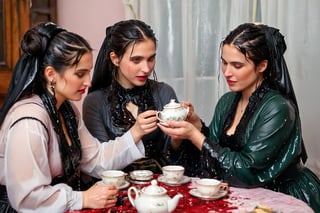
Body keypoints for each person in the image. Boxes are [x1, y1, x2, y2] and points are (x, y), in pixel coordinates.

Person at [158, 23, 320, 212]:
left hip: (283, 195)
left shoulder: (278, 108)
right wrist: (197, 127)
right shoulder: (227, 101)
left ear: (262, 65)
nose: (227, 72)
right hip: (244, 194)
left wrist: (195, 136)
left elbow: (247, 171)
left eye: (237, 65)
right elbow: (216, 155)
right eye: (224, 63)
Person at [0, 22, 152, 212]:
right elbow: (28, 197)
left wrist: (136, 131)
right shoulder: (29, 122)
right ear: (51, 74)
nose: (88, 82)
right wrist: (83, 198)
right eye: (80, 74)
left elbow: (95, 159)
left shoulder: (67, 109)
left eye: (88, 72)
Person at [83, 19, 201, 176]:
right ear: (115, 58)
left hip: (161, 186)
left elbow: (174, 160)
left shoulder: (165, 92)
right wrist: (136, 131)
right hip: (116, 191)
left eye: (151, 58)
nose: (146, 68)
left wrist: (179, 135)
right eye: (136, 60)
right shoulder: (95, 102)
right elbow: (101, 165)